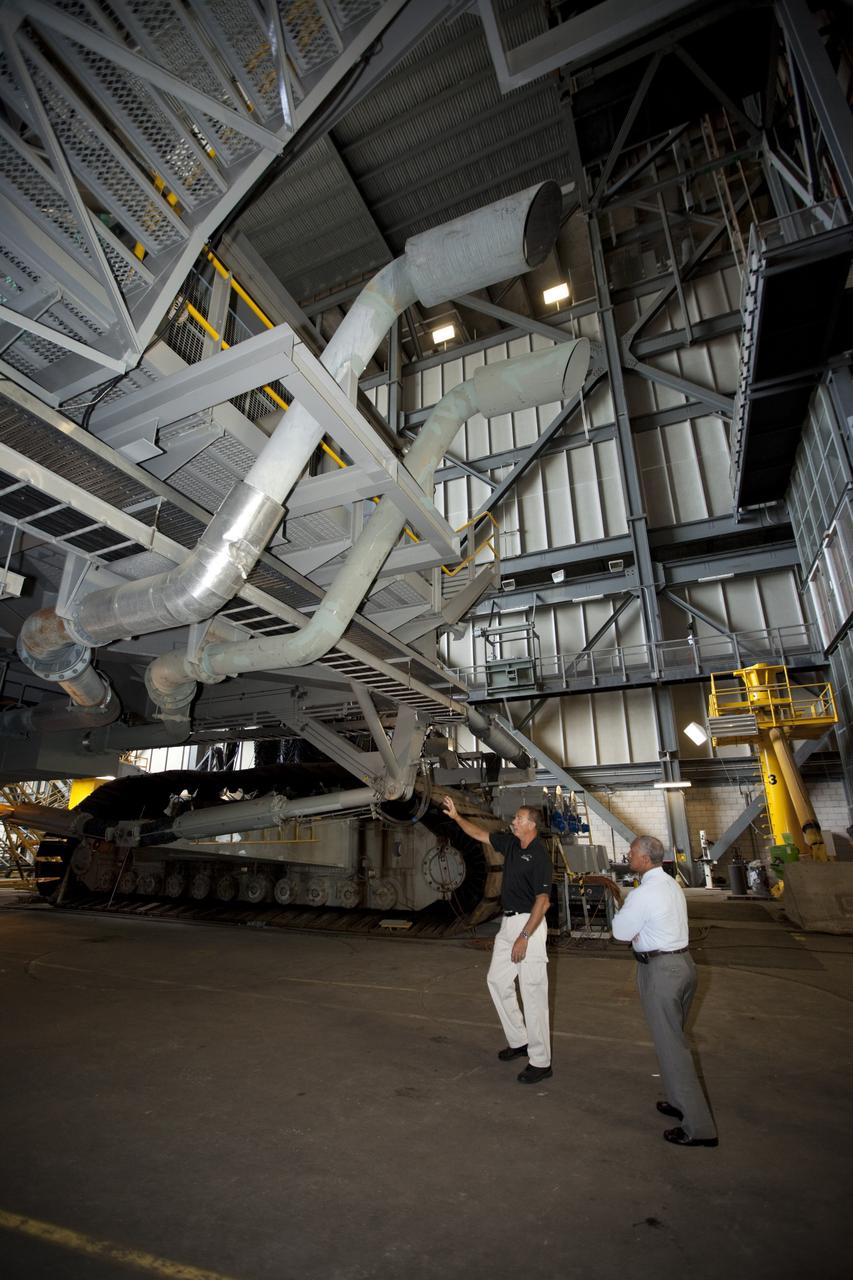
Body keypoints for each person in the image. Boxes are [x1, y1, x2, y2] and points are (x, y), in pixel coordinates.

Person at [610, 834, 718, 1147]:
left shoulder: (643, 894)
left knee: (673, 1049)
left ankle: (699, 1129)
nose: (628, 855)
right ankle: (677, 1101)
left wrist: (627, 911)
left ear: (644, 858)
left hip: (661, 973)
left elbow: (620, 932)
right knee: (672, 1039)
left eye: (631, 851)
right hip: (684, 966)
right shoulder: (670, 884)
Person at [442, 795, 553, 1083]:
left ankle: (541, 1062)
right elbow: (479, 833)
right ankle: (520, 1040)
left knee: (532, 992)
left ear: (531, 825)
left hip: (530, 925)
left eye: (518, 818)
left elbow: (543, 902)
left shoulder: (540, 856)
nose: (513, 821)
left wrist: (524, 937)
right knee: (497, 980)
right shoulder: (511, 844)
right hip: (508, 924)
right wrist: (456, 817)